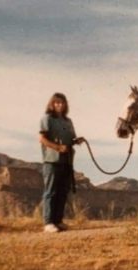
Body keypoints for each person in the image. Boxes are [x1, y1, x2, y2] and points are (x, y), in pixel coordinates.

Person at [39, 93, 85, 233]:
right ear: (52, 104)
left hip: (67, 160)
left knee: (63, 191)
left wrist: (76, 141)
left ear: (65, 105)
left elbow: (69, 140)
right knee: (51, 191)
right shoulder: (47, 119)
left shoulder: (67, 122)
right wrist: (58, 147)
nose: (59, 105)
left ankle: (58, 221)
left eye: (62, 102)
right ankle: (48, 222)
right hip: (52, 160)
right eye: (56, 102)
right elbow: (42, 138)